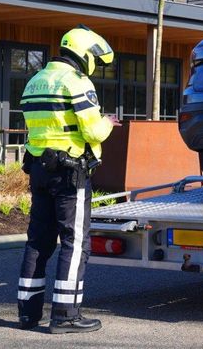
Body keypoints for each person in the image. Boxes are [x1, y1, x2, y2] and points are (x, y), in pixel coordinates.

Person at [17, 25, 120, 334]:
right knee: (75, 244)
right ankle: (65, 315)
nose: (95, 66)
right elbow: (92, 132)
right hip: (69, 172)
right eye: (95, 60)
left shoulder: (35, 80)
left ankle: (28, 313)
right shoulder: (76, 82)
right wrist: (108, 122)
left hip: (39, 169)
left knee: (38, 241)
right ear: (84, 54)